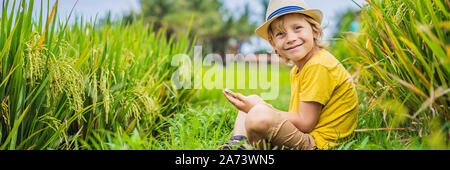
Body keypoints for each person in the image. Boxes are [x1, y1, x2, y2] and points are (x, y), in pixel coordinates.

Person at [220, 0, 358, 150]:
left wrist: (260, 109)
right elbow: (298, 117)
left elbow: (305, 122)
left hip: (319, 144)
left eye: (297, 28)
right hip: (307, 135)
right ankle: (236, 144)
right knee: (252, 102)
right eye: (281, 34)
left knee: (257, 113)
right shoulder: (299, 69)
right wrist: (258, 107)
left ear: (315, 31)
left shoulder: (319, 65)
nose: (291, 38)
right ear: (273, 44)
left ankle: (246, 146)